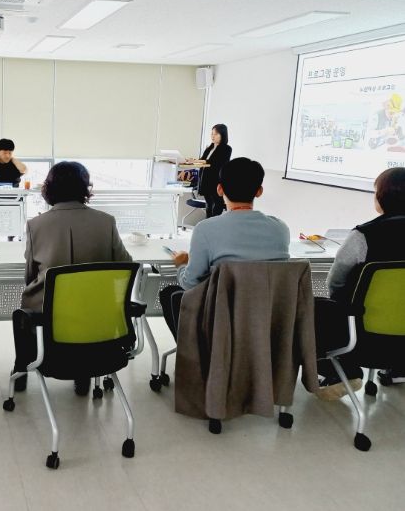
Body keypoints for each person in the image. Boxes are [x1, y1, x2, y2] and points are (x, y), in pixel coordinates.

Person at [12, 161, 132, 394]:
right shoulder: (106, 221)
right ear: (84, 187)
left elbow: (30, 275)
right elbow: (126, 265)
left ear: (49, 188)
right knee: (84, 309)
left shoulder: (36, 225)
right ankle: (83, 373)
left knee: (23, 312)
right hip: (98, 311)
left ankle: (22, 367)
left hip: (50, 312)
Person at [159, 157, 290, 339]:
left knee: (170, 294)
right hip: (268, 322)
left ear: (219, 189)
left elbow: (190, 283)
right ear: (259, 191)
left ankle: (197, 351)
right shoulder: (280, 229)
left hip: (220, 323)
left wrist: (181, 264)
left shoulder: (206, 229)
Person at [315, 167, 405, 400]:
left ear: (381, 198)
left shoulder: (364, 235)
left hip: (363, 340)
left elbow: (335, 283)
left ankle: (342, 370)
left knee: (315, 306)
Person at [191, 124, 232, 217]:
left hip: (216, 181)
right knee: (208, 205)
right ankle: (208, 223)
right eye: (212, 134)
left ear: (223, 135)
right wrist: (193, 161)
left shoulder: (226, 149)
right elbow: (202, 160)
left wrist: (199, 161)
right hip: (205, 180)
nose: (212, 136)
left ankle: (214, 223)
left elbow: (215, 162)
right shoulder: (209, 148)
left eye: (216, 134)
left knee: (217, 204)